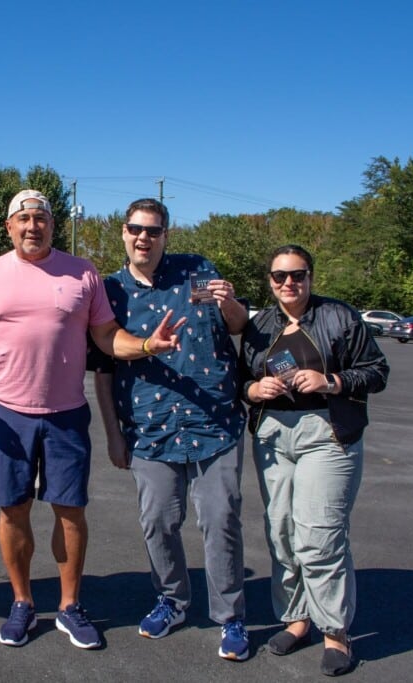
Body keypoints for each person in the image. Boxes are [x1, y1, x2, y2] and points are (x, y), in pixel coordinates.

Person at [0, 190, 183, 650]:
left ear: (52, 225)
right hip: (7, 416)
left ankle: (70, 607)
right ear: (9, 226)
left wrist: (148, 345)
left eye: (41, 219)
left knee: (70, 512)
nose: (33, 226)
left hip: (66, 416)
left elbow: (108, 337)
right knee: (13, 510)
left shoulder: (82, 272)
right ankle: (23, 602)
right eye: (24, 219)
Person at [88, 198, 251, 661]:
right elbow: (103, 368)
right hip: (149, 428)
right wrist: (113, 434)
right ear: (123, 232)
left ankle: (230, 616)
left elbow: (237, 327)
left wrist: (231, 303)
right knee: (158, 521)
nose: (144, 237)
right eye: (136, 229)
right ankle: (172, 600)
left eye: (154, 231)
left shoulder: (196, 271)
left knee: (221, 520)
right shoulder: (110, 290)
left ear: (166, 235)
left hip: (213, 422)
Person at [238, 244, 389, 677]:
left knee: (319, 535)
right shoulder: (260, 326)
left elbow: (377, 370)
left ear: (311, 277)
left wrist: (333, 380)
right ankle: (296, 617)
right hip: (272, 436)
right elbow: (240, 380)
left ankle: (334, 631)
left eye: (298, 275)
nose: (289, 283)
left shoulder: (340, 317)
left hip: (327, 433)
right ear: (269, 280)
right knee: (281, 531)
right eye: (280, 276)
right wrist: (254, 391)